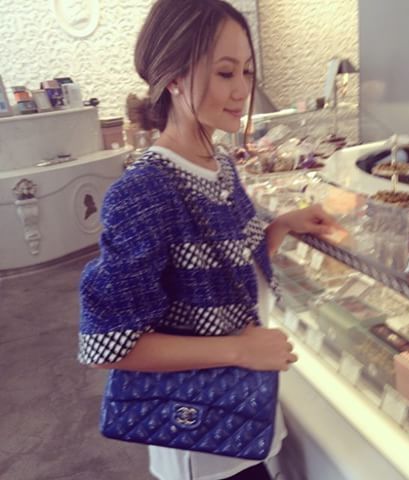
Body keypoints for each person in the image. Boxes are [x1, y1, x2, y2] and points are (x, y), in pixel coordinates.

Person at [78, 1, 336, 479]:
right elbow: (107, 345)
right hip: (199, 440)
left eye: (247, 71)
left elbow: (228, 268)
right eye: (224, 73)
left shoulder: (220, 164)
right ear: (175, 78)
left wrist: (281, 226)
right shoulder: (144, 192)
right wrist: (238, 349)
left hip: (244, 418)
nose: (241, 90)